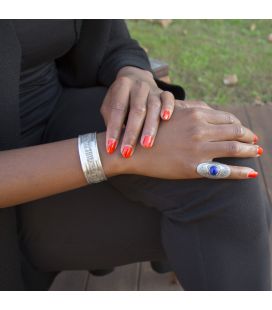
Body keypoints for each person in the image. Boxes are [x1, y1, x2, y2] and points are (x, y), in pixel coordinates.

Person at [0, 19, 270, 291]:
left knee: (219, 163)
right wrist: (117, 155)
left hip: (55, 109)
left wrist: (134, 73)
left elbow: (106, 32)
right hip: (13, 191)